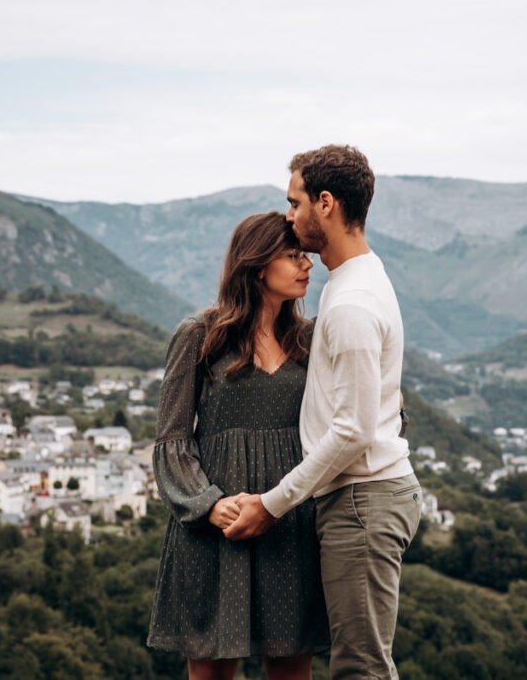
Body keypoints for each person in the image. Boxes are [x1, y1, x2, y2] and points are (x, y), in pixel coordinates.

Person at [224, 145, 422, 679]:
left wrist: (271, 504)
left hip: (362, 501)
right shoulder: (354, 282)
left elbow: (354, 430)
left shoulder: (352, 302)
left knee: (360, 669)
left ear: (326, 204)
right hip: (358, 499)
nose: (289, 216)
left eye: (295, 202)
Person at [147, 211, 328, 680]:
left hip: (289, 521)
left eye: (306, 255)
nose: (307, 265)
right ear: (256, 263)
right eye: (293, 256)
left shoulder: (313, 340)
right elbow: (171, 439)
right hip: (215, 529)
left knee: (291, 669)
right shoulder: (200, 335)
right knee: (211, 673)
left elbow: (348, 420)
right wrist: (208, 504)